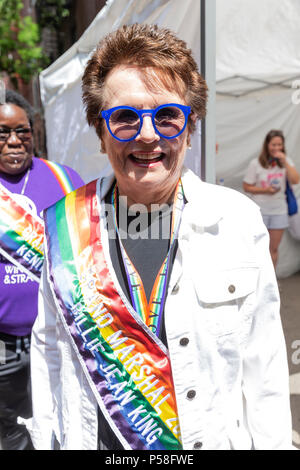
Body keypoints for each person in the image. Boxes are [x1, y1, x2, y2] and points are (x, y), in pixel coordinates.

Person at [30, 24, 293, 450]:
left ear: (190, 129)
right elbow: (48, 354)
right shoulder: (62, 224)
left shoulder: (237, 221)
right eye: (125, 117)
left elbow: (264, 370)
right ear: (100, 133)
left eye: (167, 116)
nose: (148, 134)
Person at [0, 89, 84, 450]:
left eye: (24, 130)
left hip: (54, 336)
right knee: (7, 425)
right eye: (2, 133)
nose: (15, 141)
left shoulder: (65, 181)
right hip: (2, 344)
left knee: (61, 418)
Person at [243, 130, 300, 267]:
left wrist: (285, 162)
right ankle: (257, 285)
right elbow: (246, 186)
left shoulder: (286, 162)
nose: (276, 148)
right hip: (260, 211)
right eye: (273, 144)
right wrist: (265, 190)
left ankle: (271, 284)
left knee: (273, 249)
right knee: (257, 249)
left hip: (279, 211)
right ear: (267, 145)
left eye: (279, 145)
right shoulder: (256, 163)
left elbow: (296, 180)